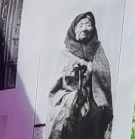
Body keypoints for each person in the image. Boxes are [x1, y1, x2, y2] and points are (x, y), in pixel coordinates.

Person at [47, 11, 112, 139]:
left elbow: (104, 83)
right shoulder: (65, 53)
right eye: (81, 25)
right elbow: (58, 87)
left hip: (96, 111)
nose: (85, 28)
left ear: (93, 28)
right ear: (73, 29)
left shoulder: (98, 51)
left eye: (88, 25)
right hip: (73, 109)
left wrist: (92, 70)